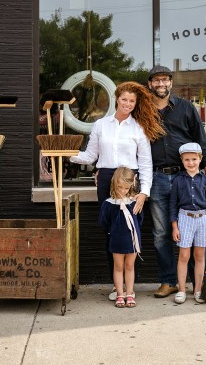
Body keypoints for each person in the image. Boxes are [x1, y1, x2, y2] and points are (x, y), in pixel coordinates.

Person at [70, 81, 165, 300]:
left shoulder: (139, 128)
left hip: (130, 181)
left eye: (132, 101)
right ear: (116, 99)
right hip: (106, 180)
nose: (128, 104)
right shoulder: (101, 125)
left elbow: (146, 163)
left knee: (131, 231)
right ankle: (117, 287)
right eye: (125, 100)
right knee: (111, 231)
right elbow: (89, 156)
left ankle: (129, 289)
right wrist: (65, 154)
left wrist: (144, 192)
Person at [147, 65, 206, 298]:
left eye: (165, 80)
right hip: (156, 178)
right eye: (156, 80)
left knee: (195, 230)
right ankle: (169, 282)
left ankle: (198, 283)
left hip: (185, 177)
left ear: (171, 83)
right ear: (150, 84)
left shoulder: (186, 108)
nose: (161, 84)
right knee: (161, 233)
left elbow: (201, 139)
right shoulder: (144, 110)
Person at [170, 143, 206, 304]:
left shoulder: (205, 180)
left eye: (194, 159)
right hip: (185, 218)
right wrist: (174, 226)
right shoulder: (177, 180)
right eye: (187, 160)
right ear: (182, 161)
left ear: (200, 159)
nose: (191, 163)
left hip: (202, 220)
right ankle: (182, 290)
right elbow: (172, 205)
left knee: (199, 256)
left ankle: (198, 289)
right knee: (184, 255)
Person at [99, 167, 143, 308]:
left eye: (126, 188)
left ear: (131, 186)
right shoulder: (109, 204)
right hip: (116, 240)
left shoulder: (134, 203)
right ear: (114, 184)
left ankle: (129, 294)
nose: (122, 191)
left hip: (132, 239)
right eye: (119, 187)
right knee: (118, 266)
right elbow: (104, 221)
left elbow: (140, 220)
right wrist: (113, 232)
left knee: (130, 266)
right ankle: (119, 294)